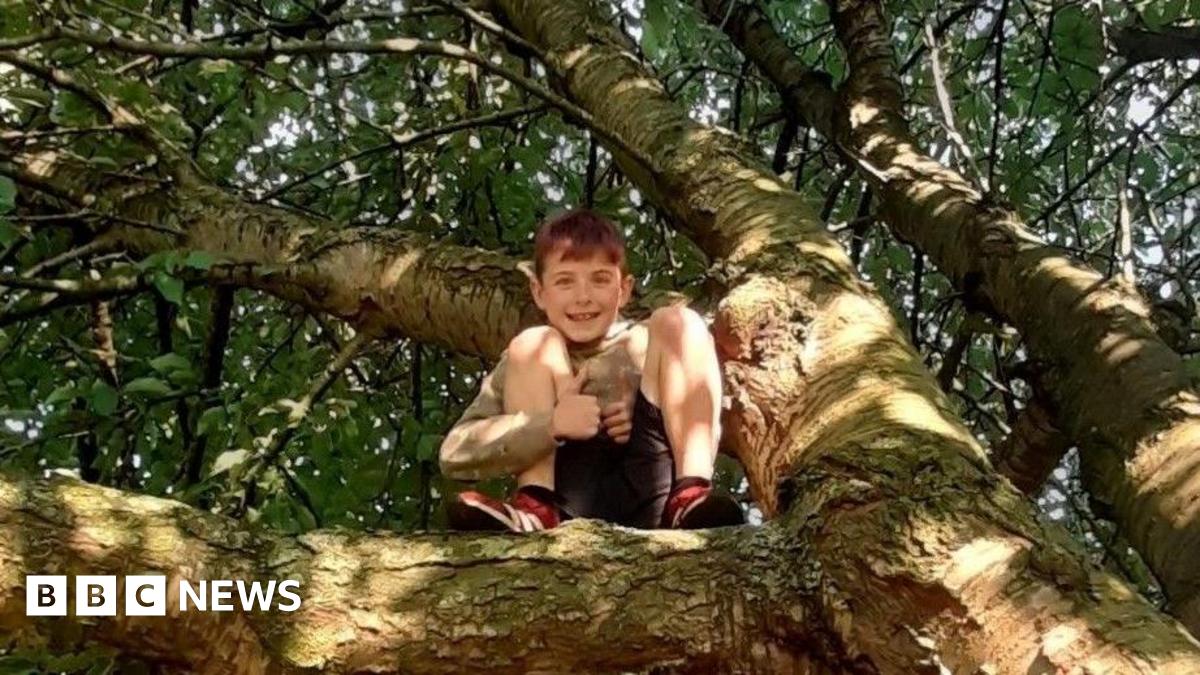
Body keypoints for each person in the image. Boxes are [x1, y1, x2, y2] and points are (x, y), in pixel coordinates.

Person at [438, 208, 744, 532]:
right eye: (565, 281)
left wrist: (643, 405)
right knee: (534, 341)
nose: (583, 297)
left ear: (623, 290)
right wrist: (550, 424)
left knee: (680, 321)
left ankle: (690, 494)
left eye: (599, 279)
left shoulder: (649, 341)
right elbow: (455, 451)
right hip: (566, 506)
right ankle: (535, 509)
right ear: (539, 292)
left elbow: (700, 393)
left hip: (652, 495)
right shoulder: (524, 361)